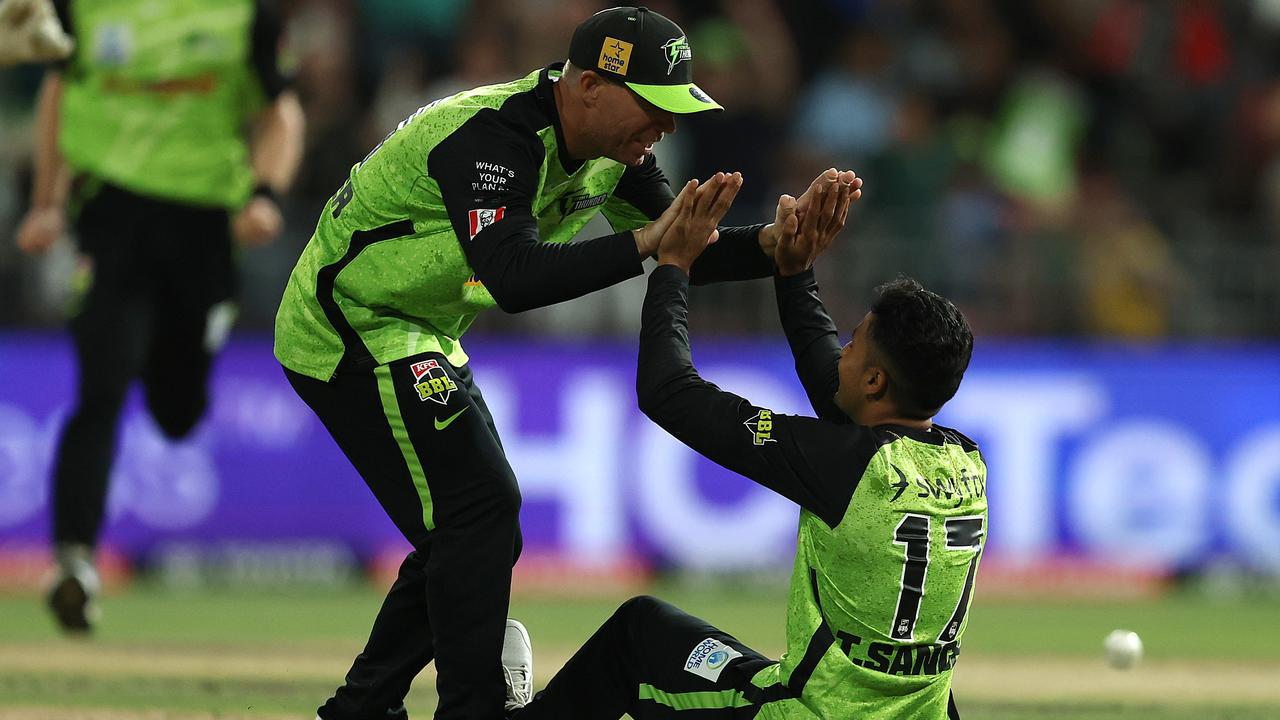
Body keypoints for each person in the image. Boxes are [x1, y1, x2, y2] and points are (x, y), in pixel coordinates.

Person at [273, 6, 854, 720]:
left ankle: (362, 709)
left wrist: (774, 245)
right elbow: (513, 278)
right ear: (588, 87)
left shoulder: (620, 152)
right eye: (653, 106)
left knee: (469, 528)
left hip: (419, 328)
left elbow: (681, 249)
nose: (665, 128)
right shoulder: (490, 137)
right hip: (350, 327)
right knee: (479, 514)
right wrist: (648, 245)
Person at [503, 175, 985, 719]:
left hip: (807, 714)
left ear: (875, 383)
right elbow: (840, 395)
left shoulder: (846, 465)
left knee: (638, 634)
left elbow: (669, 392)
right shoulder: (966, 462)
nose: (841, 351)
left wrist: (673, 267)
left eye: (852, 344)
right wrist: (795, 271)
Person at [14, 0, 305, 633]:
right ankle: (73, 563)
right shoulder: (84, 8)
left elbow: (281, 113)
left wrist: (265, 193)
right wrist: (46, 203)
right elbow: (61, 92)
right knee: (100, 389)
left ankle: (157, 354)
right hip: (111, 221)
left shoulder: (248, 16)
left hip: (201, 234)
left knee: (177, 412)